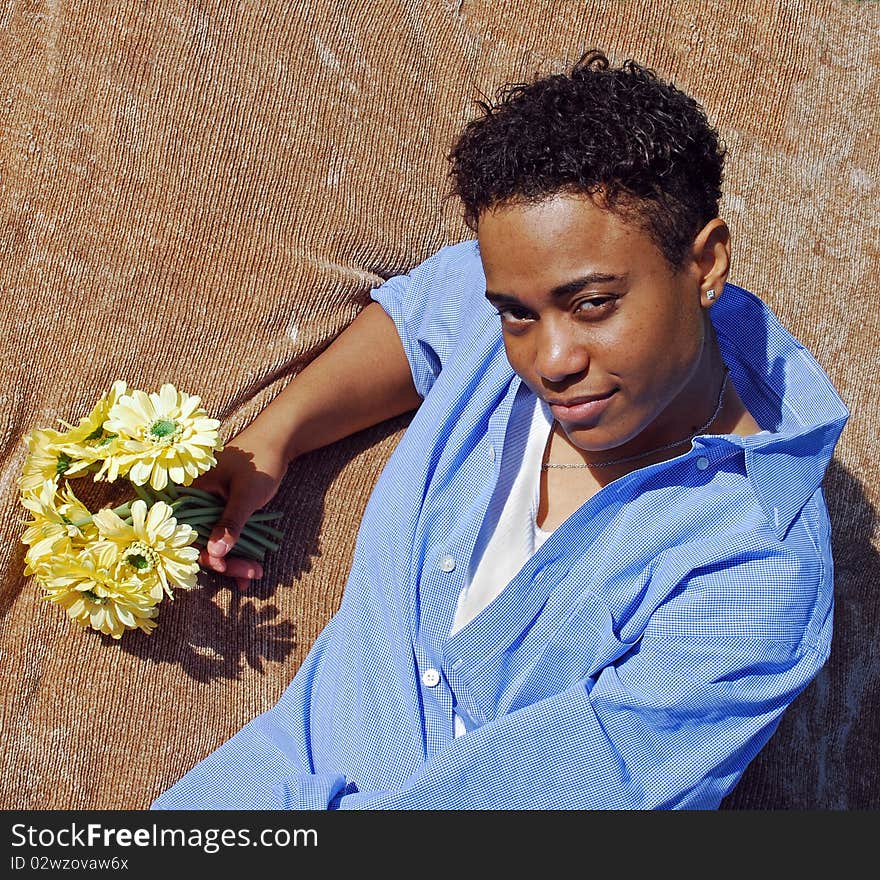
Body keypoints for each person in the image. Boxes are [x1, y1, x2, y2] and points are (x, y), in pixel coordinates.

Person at [151, 50, 848, 809]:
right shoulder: (514, 285)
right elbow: (424, 314)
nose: (549, 359)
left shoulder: (756, 574)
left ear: (706, 262)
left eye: (592, 305)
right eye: (518, 312)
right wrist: (276, 436)